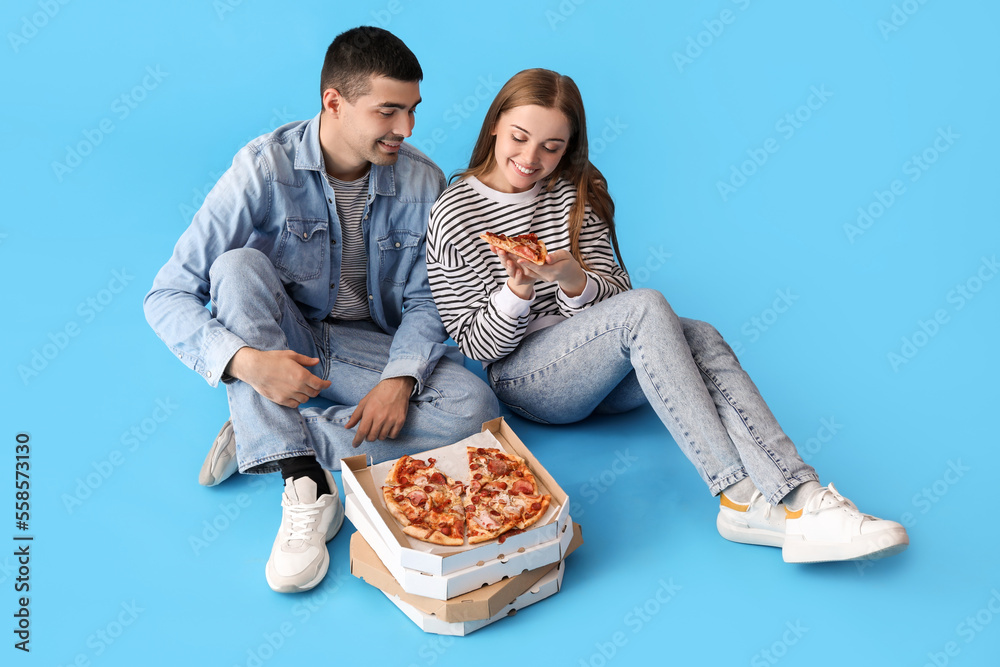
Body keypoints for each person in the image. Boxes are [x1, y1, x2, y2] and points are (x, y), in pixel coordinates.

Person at [425, 68, 908, 564]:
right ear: (494, 126)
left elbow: (619, 298)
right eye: (519, 138)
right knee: (651, 307)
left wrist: (573, 279)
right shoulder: (453, 213)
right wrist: (517, 290)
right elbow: (476, 348)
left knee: (698, 334)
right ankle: (738, 494)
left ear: (568, 147)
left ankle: (803, 498)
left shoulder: (572, 194)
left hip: (603, 373)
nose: (531, 159)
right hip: (528, 381)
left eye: (551, 147)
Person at [143, 27, 499, 593]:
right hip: (279, 338)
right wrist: (246, 364)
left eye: (412, 111)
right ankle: (305, 480)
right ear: (334, 102)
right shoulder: (262, 168)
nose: (405, 129)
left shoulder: (423, 179)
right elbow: (167, 295)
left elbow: (426, 299)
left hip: (366, 349)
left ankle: (262, 426)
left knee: (477, 412)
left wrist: (399, 380)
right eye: (388, 112)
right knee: (235, 268)